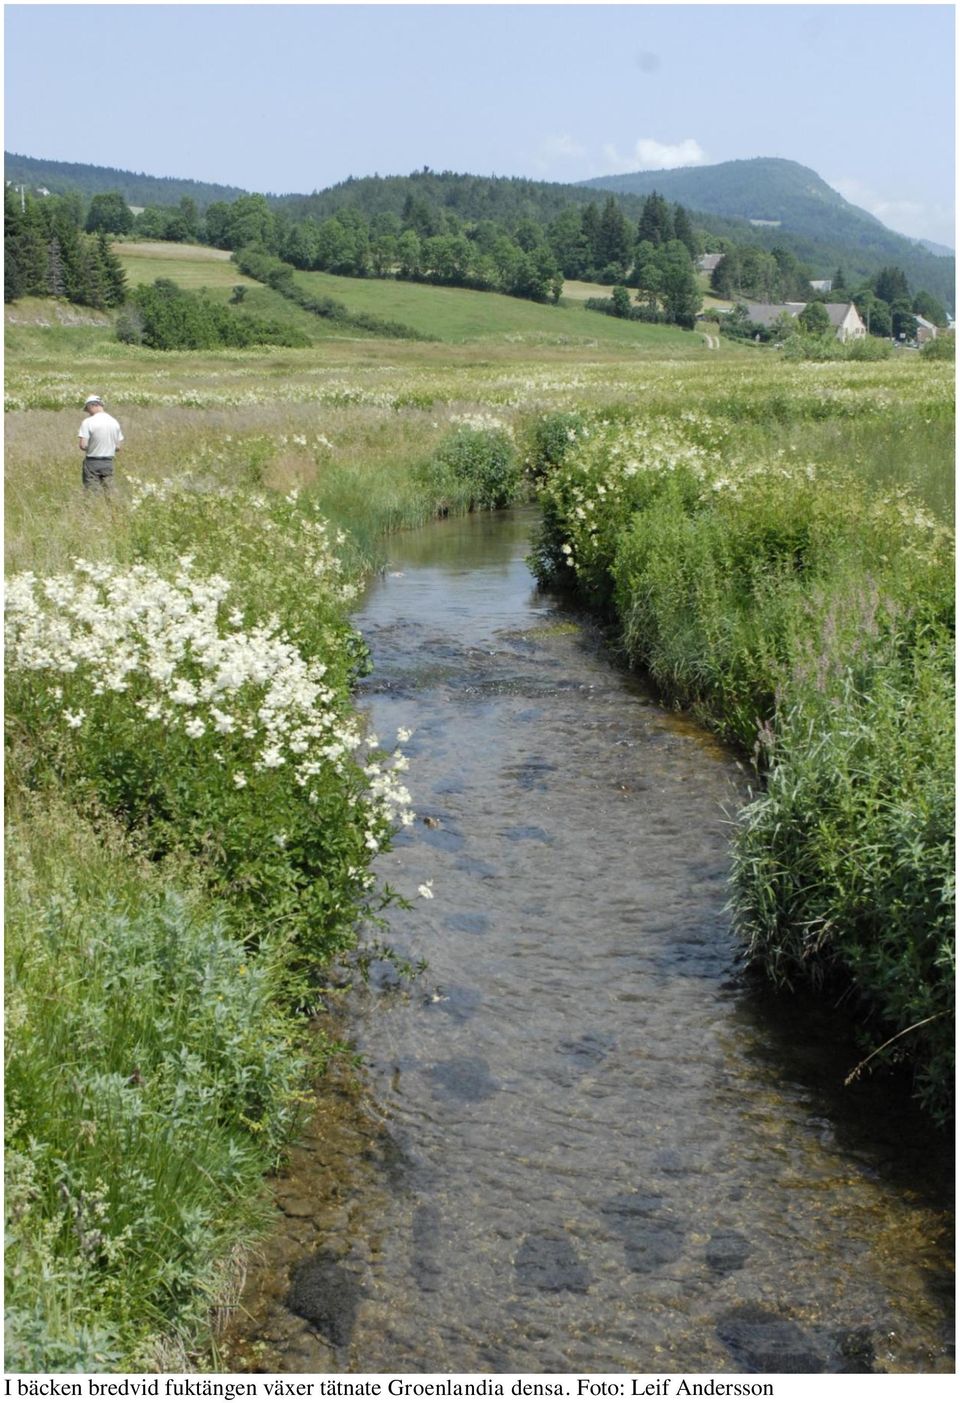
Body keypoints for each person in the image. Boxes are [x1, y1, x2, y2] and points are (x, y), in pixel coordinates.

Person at [78, 394, 123, 490]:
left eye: (87, 409)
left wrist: (93, 446)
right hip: (108, 462)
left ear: (92, 406)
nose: (88, 412)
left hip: (92, 461)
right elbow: (118, 447)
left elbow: (83, 445)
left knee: (92, 491)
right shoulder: (114, 422)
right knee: (110, 490)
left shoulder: (88, 422)